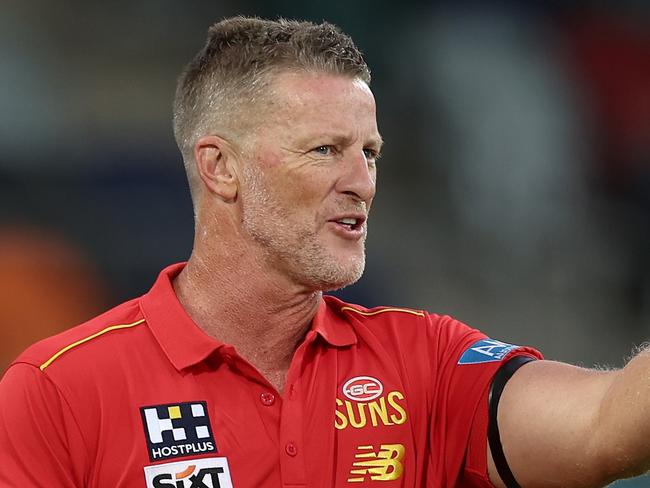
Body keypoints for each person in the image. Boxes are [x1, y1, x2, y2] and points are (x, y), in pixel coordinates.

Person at [0, 16, 647, 488]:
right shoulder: (58, 390)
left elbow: (602, 427)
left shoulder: (424, 361)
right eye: (324, 150)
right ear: (221, 168)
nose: (361, 181)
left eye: (369, 152)